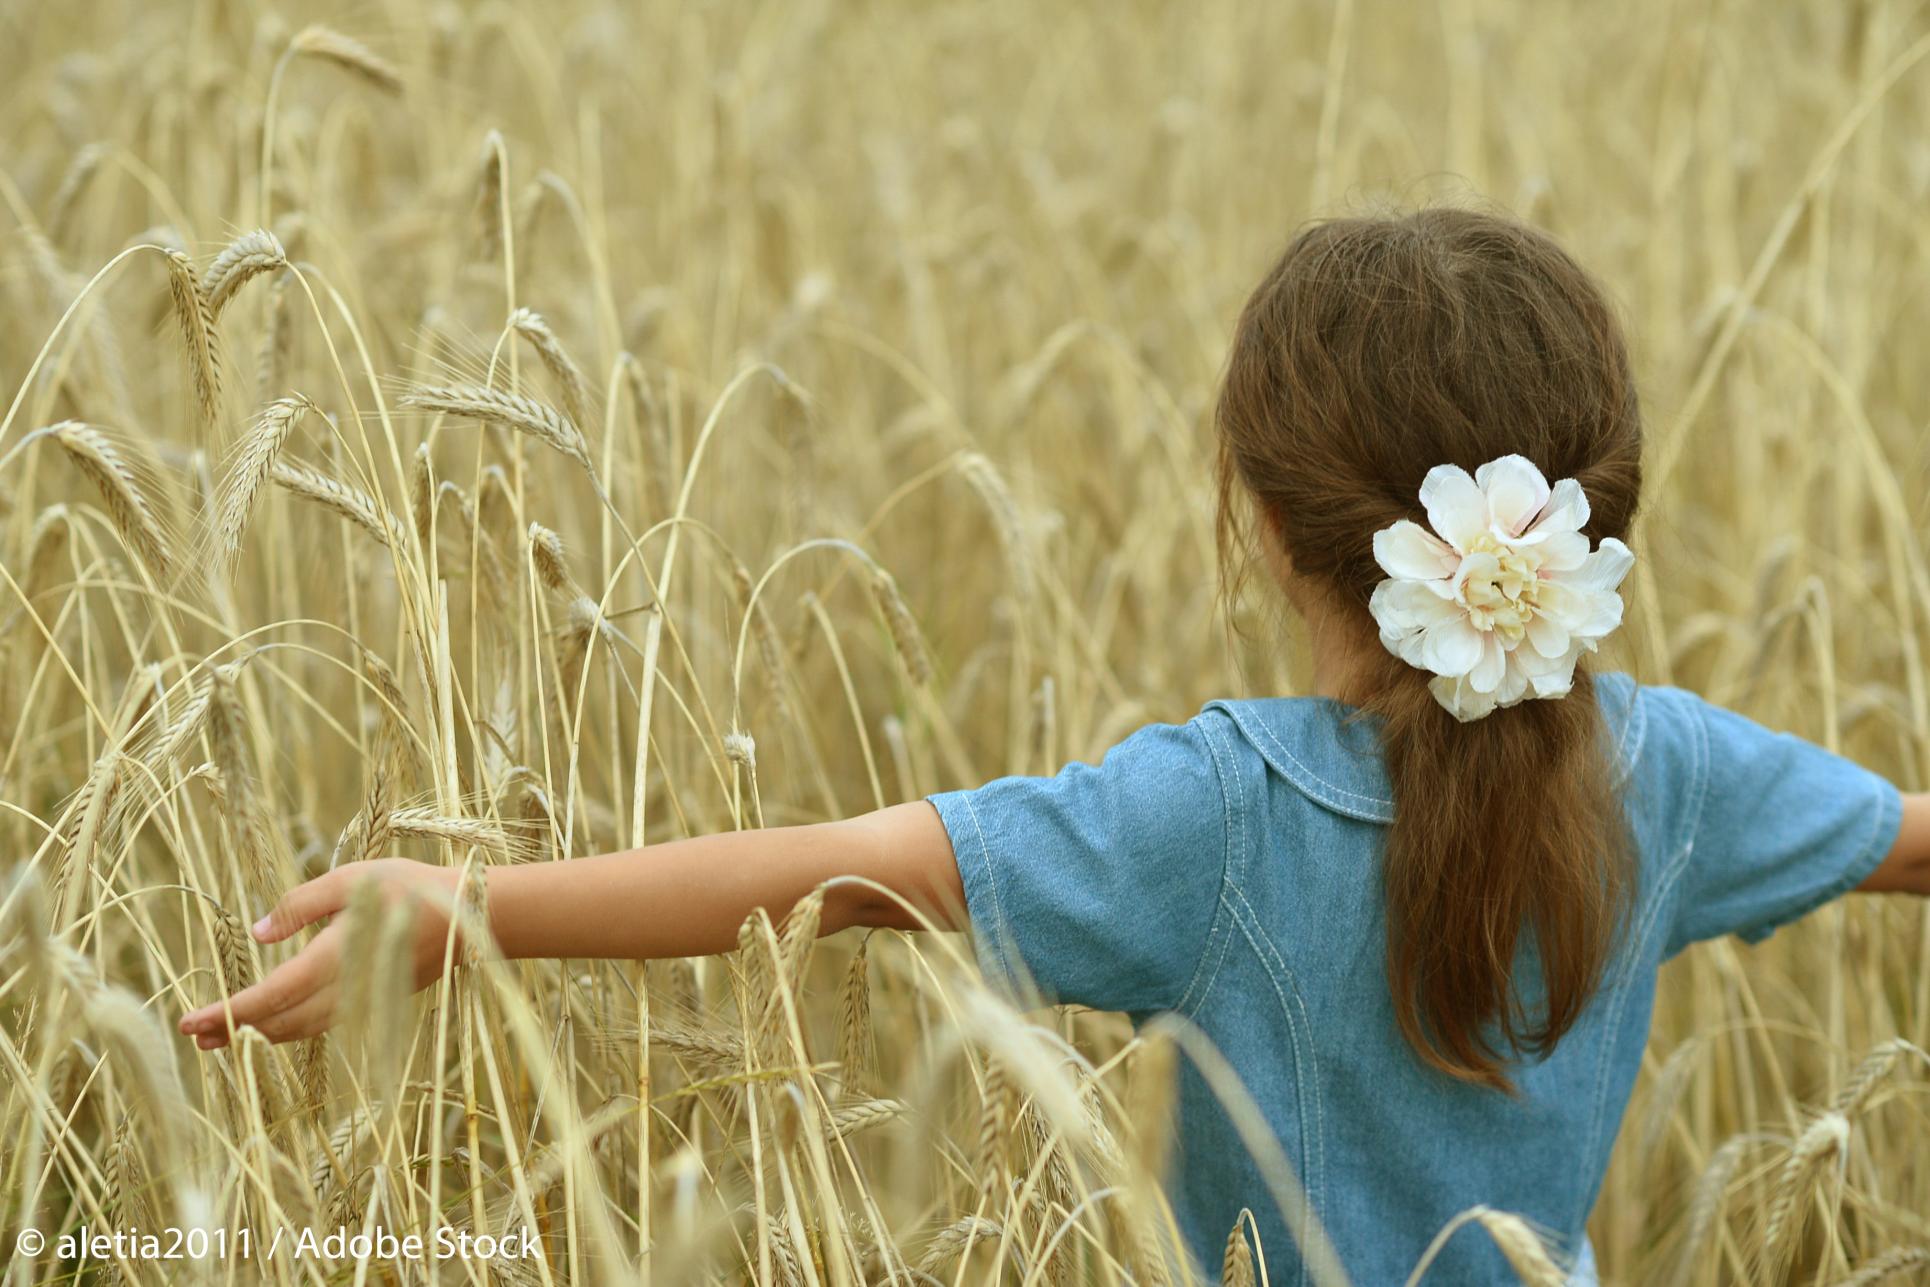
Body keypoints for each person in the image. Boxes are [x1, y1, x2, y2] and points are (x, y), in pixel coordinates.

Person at [178, 206, 1930, 1283]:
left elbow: (830, 880)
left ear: (1254, 518)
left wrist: (465, 905)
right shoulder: (1676, 774)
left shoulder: (1214, 814)